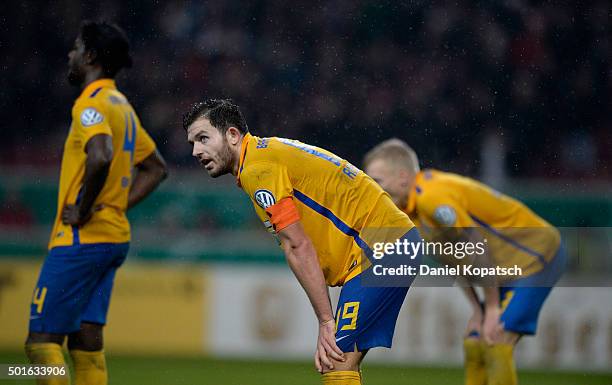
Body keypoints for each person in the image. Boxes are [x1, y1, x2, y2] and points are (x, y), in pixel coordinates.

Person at [183, 99, 421, 385]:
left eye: (203, 138)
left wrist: (325, 321)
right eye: (192, 142)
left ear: (233, 135)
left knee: (335, 360)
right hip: (385, 244)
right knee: (341, 362)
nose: (196, 151)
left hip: (383, 248)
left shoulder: (258, 169)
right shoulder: (266, 154)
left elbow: (297, 245)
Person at [25, 21, 168, 385]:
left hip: (80, 240)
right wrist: (116, 205)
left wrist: (87, 207)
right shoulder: (123, 106)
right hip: (113, 239)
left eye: (75, 48)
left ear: (89, 56)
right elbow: (155, 168)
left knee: (40, 344)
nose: (69, 55)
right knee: (86, 343)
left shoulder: (91, 104)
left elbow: (100, 155)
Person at [363, 138, 566, 385]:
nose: (375, 190)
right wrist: (478, 309)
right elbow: (455, 259)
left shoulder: (432, 198)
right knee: (474, 341)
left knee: (496, 341)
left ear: (403, 178)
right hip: (506, 270)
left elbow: (475, 244)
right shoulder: (410, 213)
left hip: (538, 255)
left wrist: (491, 308)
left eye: (378, 182)